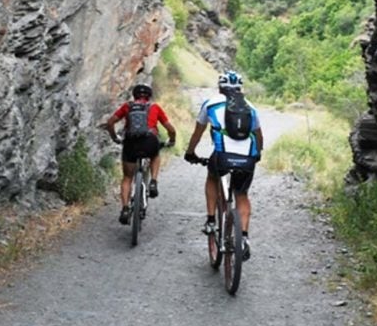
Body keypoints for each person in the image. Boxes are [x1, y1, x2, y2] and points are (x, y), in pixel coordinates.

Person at [183, 71, 263, 260]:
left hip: (222, 156)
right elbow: (259, 136)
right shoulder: (250, 107)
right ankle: (243, 237)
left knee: (212, 176)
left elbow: (197, 133)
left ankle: (211, 220)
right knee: (241, 194)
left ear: (219, 87)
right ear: (240, 89)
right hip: (247, 157)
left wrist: (190, 152)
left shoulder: (210, 103)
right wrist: (257, 154)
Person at [105, 84, 176, 225]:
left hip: (131, 143)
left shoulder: (127, 106)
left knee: (127, 178)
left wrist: (114, 137)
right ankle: (154, 181)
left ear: (134, 95)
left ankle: (125, 209)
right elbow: (170, 129)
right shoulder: (155, 107)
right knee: (155, 155)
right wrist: (172, 140)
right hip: (149, 141)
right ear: (149, 96)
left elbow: (110, 122)